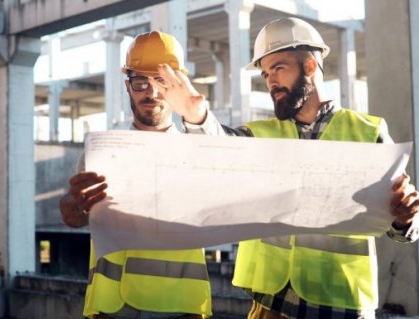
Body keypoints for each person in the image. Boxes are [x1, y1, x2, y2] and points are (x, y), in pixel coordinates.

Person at [151, 17, 419, 319]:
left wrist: (404, 218)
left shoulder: (368, 132)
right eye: (265, 74)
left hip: (340, 305)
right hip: (270, 305)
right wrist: (196, 114)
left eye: (278, 68)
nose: (270, 82)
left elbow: (407, 230)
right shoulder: (260, 133)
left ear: (309, 67)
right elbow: (221, 150)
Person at [60, 31, 224, 319]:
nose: (152, 92)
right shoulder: (100, 154)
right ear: (128, 86)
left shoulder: (200, 151)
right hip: (111, 307)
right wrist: (72, 211)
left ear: (178, 85)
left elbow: (229, 180)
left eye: (162, 81)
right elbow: (81, 217)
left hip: (182, 306)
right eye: (141, 82)